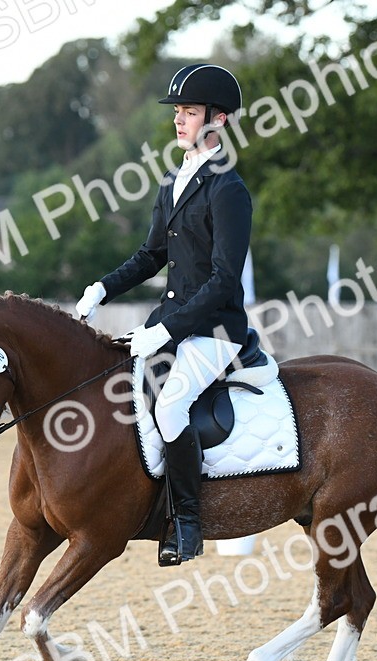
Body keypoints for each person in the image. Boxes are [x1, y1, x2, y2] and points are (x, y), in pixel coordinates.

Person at [74, 64, 251, 567]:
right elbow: (151, 256)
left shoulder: (228, 190)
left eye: (189, 112)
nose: (179, 121)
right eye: (177, 112)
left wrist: (166, 331)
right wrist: (102, 288)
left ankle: (188, 524)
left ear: (218, 120)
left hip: (217, 330)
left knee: (171, 408)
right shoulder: (174, 181)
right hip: (171, 321)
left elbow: (223, 280)